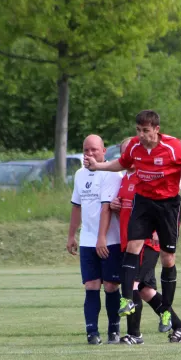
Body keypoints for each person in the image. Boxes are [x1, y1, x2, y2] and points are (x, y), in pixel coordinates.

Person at [83, 110, 181, 342]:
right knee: (132, 246)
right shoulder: (133, 147)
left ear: (156, 130)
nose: (141, 135)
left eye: (146, 131)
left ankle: (168, 313)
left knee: (168, 259)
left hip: (168, 206)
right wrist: (97, 166)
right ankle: (127, 300)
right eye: (138, 131)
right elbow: (120, 163)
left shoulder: (173, 147)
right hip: (144, 202)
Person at [110, 137, 181, 344]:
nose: (128, 157)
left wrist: (158, 232)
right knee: (146, 290)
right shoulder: (125, 180)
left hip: (148, 244)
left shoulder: (147, 177)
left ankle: (134, 334)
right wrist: (115, 206)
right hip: (131, 243)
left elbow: (165, 208)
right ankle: (180, 327)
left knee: (135, 284)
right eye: (124, 153)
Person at [67, 134, 122, 345]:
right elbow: (76, 206)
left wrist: (102, 239)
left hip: (109, 240)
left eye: (94, 150)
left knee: (110, 286)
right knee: (91, 285)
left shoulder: (110, 174)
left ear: (104, 151)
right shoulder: (79, 175)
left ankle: (113, 330)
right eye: (86, 150)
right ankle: (92, 332)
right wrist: (72, 235)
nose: (89, 154)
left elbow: (106, 207)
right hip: (87, 241)